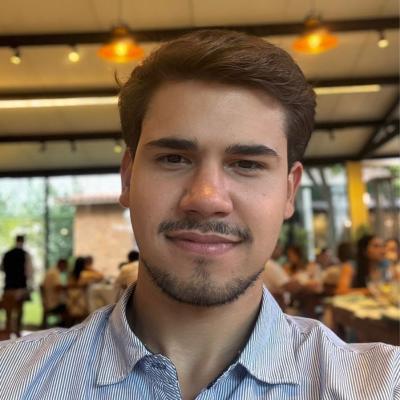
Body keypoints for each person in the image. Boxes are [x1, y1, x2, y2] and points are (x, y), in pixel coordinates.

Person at [0, 30, 398, 399]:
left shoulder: (380, 385)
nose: (207, 198)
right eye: (174, 158)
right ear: (128, 177)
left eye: (247, 164)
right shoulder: (12, 378)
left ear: (289, 191)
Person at [0, 235, 33, 335]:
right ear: (23, 241)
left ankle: (8, 331)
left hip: (8, 287)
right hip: (20, 287)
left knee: (8, 312)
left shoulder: (7, 254)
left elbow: (2, 268)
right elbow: (29, 272)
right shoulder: (25, 254)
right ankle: (18, 332)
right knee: (19, 311)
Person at [42, 258, 69, 324]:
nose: (66, 269)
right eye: (66, 266)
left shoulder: (51, 271)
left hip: (48, 301)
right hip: (53, 303)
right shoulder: (55, 273)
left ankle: (62, 324)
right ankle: (65, 326)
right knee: (70, 307)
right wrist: (70, 286)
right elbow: (57, 287)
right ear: (62, 265)